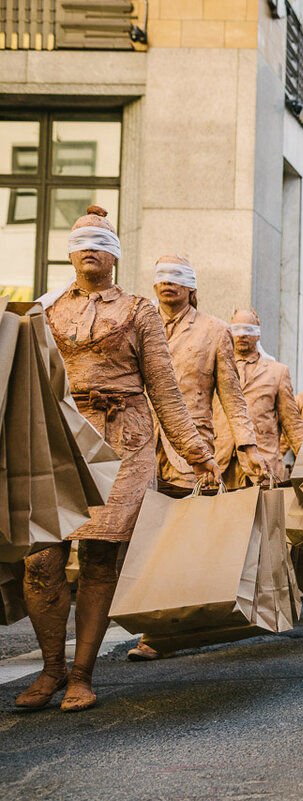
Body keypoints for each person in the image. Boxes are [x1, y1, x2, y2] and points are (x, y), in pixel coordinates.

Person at [17, 207, 220, 712]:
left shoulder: (138, 310)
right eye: (82, 240)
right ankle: (51, 669)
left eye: (100, 241)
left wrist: (196, 451)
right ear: (69, 252)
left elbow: (164, 388)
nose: (90, 247)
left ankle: (82, 674)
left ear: (115, 255)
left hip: (124, 441)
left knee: (100, 558)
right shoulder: (43, 310)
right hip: (59, 437)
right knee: (42, 558)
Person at [127, 256, 268, 662]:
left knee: (176, 539)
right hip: (138, 446)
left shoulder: (214, 331)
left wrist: (247, 447)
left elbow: (232, 397)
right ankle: (143, 617)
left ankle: (159, 633)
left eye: (178, 277)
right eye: (162, 277)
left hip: (192, 453)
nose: (168, 283)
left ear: (192, 287)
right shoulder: (138, 322)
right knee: (139, 537)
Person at [214, 309, 303, 485]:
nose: (242, 335)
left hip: (262, 464)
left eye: (248, 330)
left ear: (258, 335)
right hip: (221, 462)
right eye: (237, 329)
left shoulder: (277, 372)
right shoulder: (216, 367)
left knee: (260, 512)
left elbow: (292, 422)